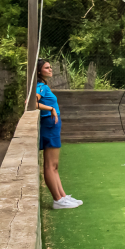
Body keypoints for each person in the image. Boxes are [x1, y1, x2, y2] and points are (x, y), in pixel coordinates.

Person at [35, 60, 82, 209]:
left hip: (52, 126)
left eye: (50, 67)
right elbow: (31, 103)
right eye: (47, 67)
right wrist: (50, 109)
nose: (50, 69)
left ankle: (62, 196)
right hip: (49, 125)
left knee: (54, 165)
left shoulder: (43, 86)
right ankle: (57, 200)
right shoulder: (40, 86)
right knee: (50, 165)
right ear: (39, 72)